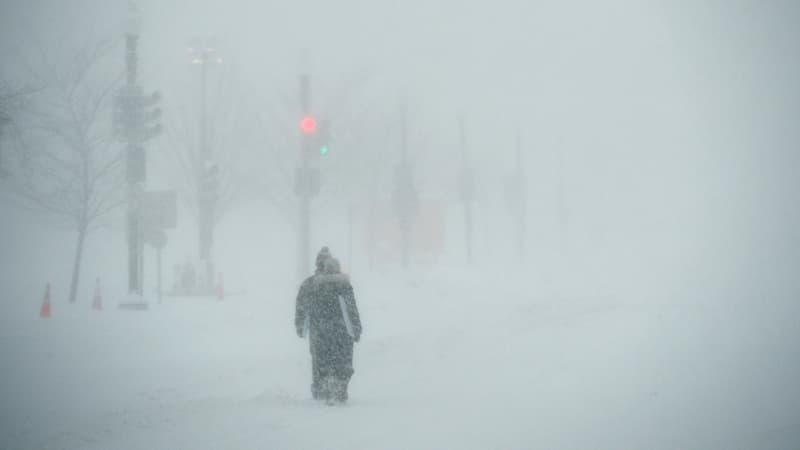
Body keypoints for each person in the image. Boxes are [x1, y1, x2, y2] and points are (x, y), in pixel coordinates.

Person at [295, 248, 362, 404]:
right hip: (342, 330)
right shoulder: (343, 284)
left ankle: (322, 386)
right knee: (343, 360)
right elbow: (352, 308)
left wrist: (300, 326)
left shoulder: (310, 284)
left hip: (319, 331)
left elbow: (301, 307)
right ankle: (340, 385)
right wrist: (356, 328)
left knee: (320, 360)